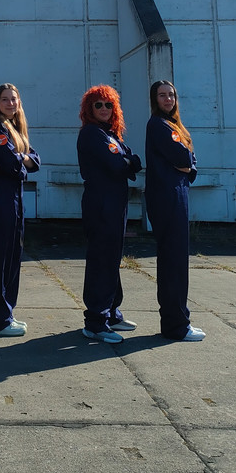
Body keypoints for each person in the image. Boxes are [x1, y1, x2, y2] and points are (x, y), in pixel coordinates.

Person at [77, 85, 141, 344]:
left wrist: (127, 161)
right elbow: (118, 165)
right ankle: (95, 322)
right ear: (89, 108)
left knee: (112, 258)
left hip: (115, 204)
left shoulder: (110, 135)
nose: (104, 109)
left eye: (109, 105)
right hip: (101, 204)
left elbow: (134, 161)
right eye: (98, 105)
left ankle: (112, 313)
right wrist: (126, 161)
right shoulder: (92, 133)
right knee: (101, 260)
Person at [144, 80, 205, 342]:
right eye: (162, 95)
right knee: (173, 262)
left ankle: (179, 320)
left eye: (171, 95)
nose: (168, 99)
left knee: (178, 261)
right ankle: (175, 325)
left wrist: (187, 164)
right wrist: (186, 162)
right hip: (167, 198)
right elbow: (183, 157)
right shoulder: (158, 125)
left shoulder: (174, 125)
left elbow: (190, 159)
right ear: (154, 99)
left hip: (177, 194)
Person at [0, 83, 40, 336]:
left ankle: (7, 313)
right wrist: (22, 158)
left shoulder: (15, 128)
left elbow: (35, 160)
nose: (10, 103)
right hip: (1, 193)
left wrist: (21, 157)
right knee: (0, 257)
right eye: (5, 99)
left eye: (14, 99)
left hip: (15, 193)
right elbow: (11, 163)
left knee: (14, 255)